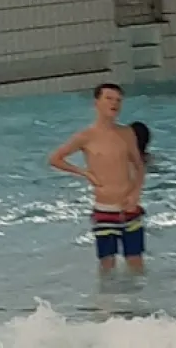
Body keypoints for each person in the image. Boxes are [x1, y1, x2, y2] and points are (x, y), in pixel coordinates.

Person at [49, 83, 146, 275]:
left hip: (129, 208)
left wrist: (135, 194)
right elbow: (55, 159)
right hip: (104, 209)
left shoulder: (127, 133)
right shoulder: (86, 136)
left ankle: (138, 295)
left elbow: (139, 166)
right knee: (107, 265)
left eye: (118, 100)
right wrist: (84, 173)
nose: (114, 104)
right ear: (96, 103)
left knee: (136, 262)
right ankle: (108, 295)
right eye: (109, 98)